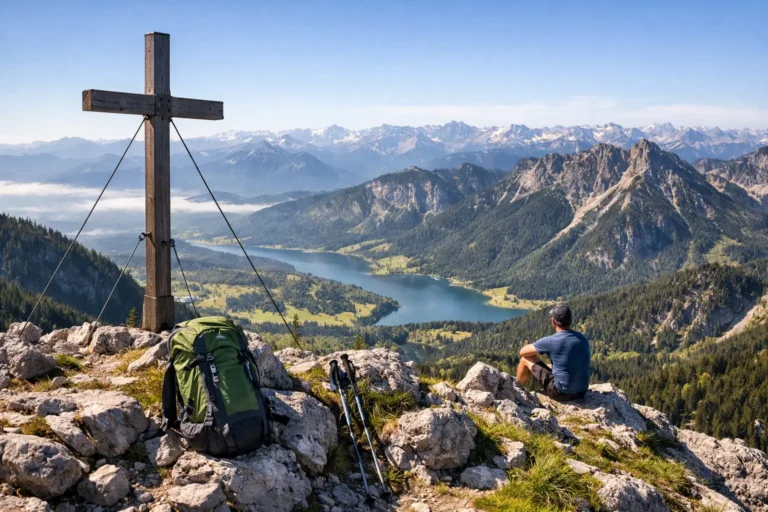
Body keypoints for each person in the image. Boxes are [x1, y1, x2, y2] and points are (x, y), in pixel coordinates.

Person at [516, 304, 590, 401]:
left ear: (553, 322)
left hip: (560, 393)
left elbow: (523, 352)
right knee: (551, 366)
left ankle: (516, 389)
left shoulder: (551, 341)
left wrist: (539, 347)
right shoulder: (582, 338)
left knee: (525, 359)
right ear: (570, 321)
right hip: (582, 392)